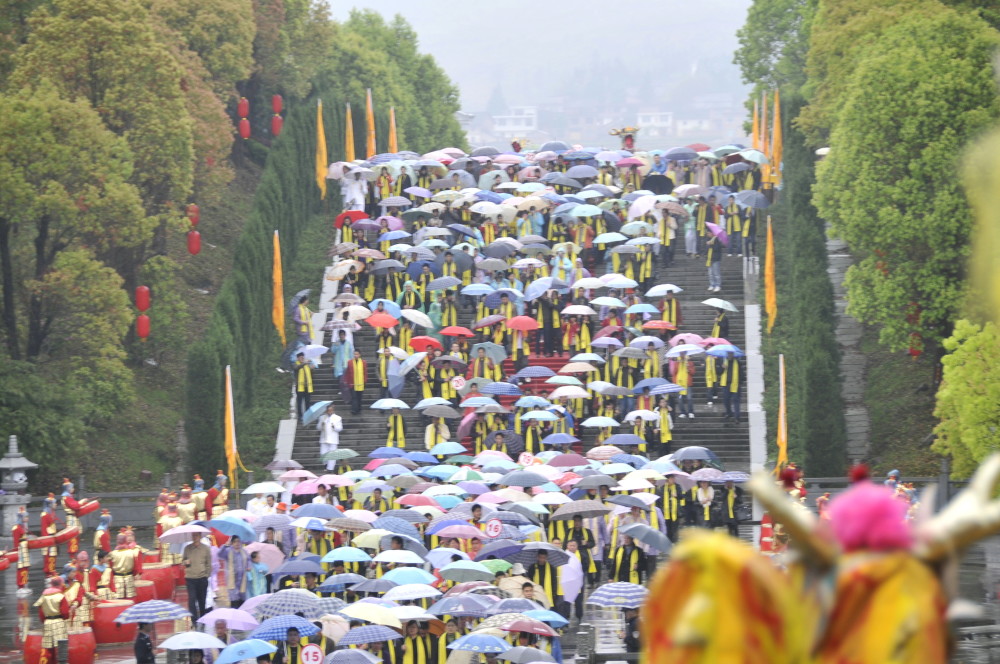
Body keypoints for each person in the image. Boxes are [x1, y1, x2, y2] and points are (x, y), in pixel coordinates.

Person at [35, 576, 69, 664]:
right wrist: (65, 618)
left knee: (47, 647)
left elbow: (41, 612)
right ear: (60, 584)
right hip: (58, 622)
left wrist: (45, 621)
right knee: (60, 646)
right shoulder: (61, 596)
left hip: (47, 622)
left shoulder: (44, 596)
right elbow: (65, 613)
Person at [183, 533, 211, 620]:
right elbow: (183, 561)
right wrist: (185, 562)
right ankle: (194, 620)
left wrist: (206, 575)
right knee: (191, 600)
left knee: (202, 601)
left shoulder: (206, 548)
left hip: (202, 578)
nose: (195, 537)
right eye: (193, 536)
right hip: (190, 578)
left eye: (197, 535)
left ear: (200, 537)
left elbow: (209, 564)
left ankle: (202, 618)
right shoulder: (187, 548)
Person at [217, 535, 250, 608]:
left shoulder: (244, 551)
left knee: (242, 603)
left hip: (242, 581)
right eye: (234, 541)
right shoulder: (228, 551)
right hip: (232, 581)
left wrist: (248, 566)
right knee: (234, 602)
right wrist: (225, 545)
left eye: (238, 541)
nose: (237, 543)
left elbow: (248, 560)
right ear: (232, 543)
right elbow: (219, 554)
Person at [317, 404, 343, 470]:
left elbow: (340, 428)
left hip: (333, 439)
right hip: (324, 438)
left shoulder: (338, 418)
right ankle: (325, 464)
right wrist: (321, 424)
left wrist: (334, 427)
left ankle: (330, 468)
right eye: (328, 411)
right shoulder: (322, 417)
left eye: (331, 410)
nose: (329, 412)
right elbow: (318, 428)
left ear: (333, 410)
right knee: (323, 453)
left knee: (332, 455)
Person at [720, 351, 743, 423]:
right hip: (726, 384)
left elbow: (741, 373)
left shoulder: (738, 363)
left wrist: (740, 382)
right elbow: (719, 373)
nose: (730, 355)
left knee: (736, 401)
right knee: (726, 400)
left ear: (733, 354)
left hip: (735, 384)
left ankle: (737, 417)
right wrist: (722, 368)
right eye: (728, 353)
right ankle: (729, 412)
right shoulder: (724, 362)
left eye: (731, 353)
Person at [293, 352, 313, 422]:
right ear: (298, 358)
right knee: (299, 402)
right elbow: (297, 368)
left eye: (303, 357)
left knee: (307, 401)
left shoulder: (306, 365)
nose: (302, 358)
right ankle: (300, 416)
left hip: (307, 387)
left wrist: (312, 367)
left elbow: (310, 374)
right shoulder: (296, 364)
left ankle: (307, 415)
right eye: (301, 357)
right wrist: (305, 363)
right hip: (299, 387)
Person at [346, 350, 367, 415]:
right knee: (354, 397)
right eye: (354, 354)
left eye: (357, 354)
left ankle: (359, 409)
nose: (356, 355)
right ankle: (354, 410)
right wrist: (348, 382)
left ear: (359, 355)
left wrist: (365, 380)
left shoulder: (363, 362)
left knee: (359, 397)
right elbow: (348, 372)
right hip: (353, 383)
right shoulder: (350, 362)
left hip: (361, 383)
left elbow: (365, 372)